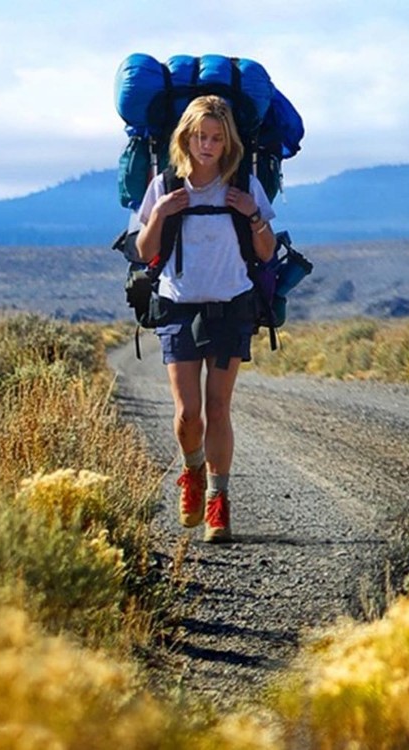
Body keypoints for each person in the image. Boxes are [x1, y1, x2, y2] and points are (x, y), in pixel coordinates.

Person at [134, 94, 276, 543]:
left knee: (218, 407)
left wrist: (252, 215)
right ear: (186, 138)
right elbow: (143, 251)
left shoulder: (244, 185)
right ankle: (192, 469)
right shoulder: (165, 185)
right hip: (178, 306)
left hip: (232, 305)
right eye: (201, 137)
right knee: (187, 412)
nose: (208, 146)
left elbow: (267, 251)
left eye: (216, 137)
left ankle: (218, 501)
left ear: (228, 140)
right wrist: (159, 213)